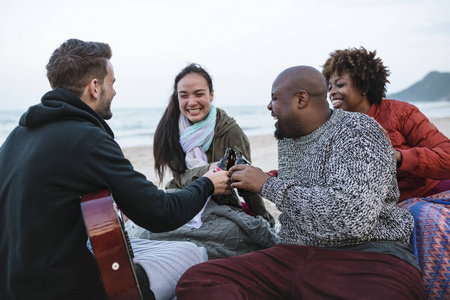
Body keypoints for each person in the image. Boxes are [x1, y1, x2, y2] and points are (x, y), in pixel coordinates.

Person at [0, 39, 230, 300]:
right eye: (112, 83)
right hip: (65, 289)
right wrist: (208, 183)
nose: (115, 91)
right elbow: (161, 213)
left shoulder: (15, 137)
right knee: (192, 252)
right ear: (94, 87)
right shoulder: (88, 139)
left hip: (13, 285)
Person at [175, 66, 425, 300]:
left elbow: (351, 219)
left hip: (366, 256)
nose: (269, 106)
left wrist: (267, 185)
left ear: (301, 100)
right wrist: (259, 179)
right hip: (293, 255)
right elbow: (302, 196)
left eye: (274, 98)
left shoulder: (358, 130)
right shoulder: (289, 140)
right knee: (198, 281)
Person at [322, 47, 450, 299]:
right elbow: (311, 169)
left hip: (431, 192)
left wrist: (400, 156)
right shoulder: (331, 129)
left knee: (423, 219)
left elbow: (446, 156)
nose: (332, 92)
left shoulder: (402, 113)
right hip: (383, 209)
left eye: (340, 84)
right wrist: (263, 176)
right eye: (329, 86)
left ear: (364, 85)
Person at [125, 63, 279, 259]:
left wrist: (265, 219)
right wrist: (209, 171)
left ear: (211, 95)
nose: (191, 102)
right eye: (184, 95)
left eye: (199, 94)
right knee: (142, 232)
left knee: (237, 236)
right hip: (182, 199)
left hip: (221, 204)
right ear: (177, 97)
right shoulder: (171, 128)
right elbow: (179, 178)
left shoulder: (230, 130)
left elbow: (246, 182)